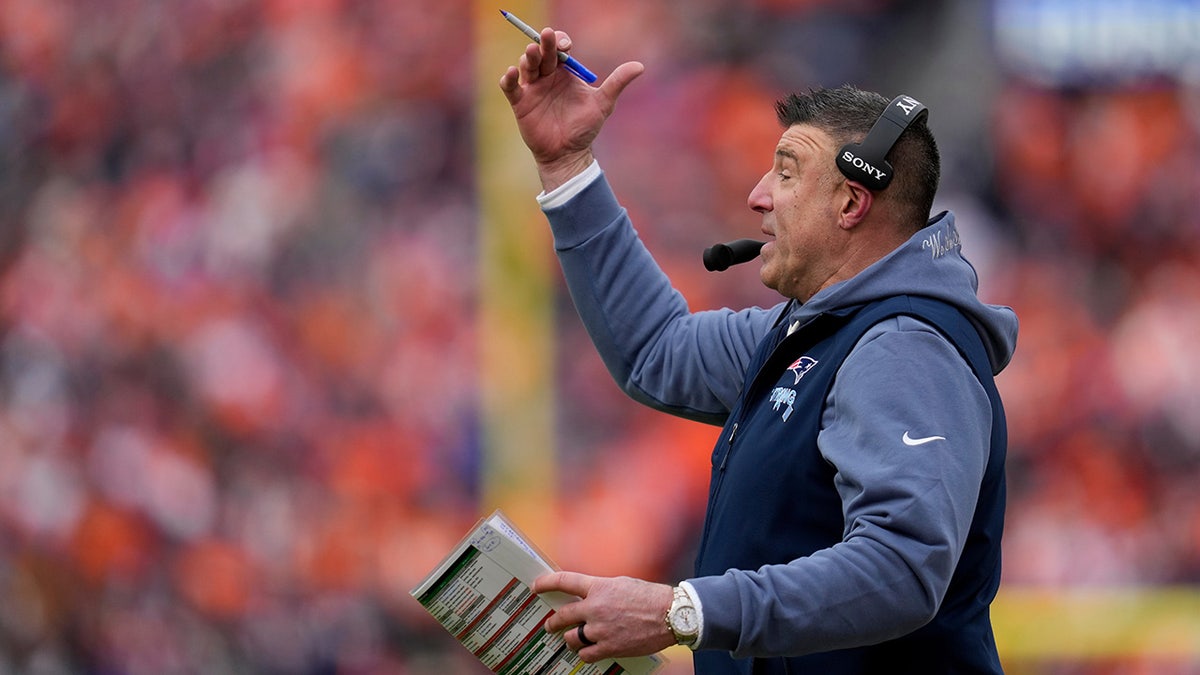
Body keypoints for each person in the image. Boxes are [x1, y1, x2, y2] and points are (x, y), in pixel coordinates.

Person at [499, 27, 1018, 675]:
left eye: (787, 172)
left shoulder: (905, 345)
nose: (757, 196)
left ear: (852, 202)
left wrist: (679, 610)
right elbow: (657, 349)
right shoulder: (814, 333)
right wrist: (568, 167)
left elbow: (902, 565)